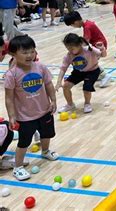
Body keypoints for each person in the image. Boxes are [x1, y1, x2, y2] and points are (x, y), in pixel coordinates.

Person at [4, 36, 59, 181]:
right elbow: (9, 98)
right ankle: (18, 167)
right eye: (24, 52)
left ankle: (45, 151)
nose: (29, 55)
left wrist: (53, 100)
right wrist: (11, 116)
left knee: (46, 135)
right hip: (25, 117)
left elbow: (48, 85)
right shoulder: (11, 74)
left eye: (32, 51)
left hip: (45, 111)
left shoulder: (41, 67)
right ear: (13, 54)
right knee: (24, 142)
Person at [56, 33, 106, 113]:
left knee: (86, 88)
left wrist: (102, 49)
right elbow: (63, 68)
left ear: (79, 45)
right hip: (78, 72)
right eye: (67, 48)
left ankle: (87, 104)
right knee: (66, 86)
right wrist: (59, 82)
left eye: (72, 48)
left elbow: (103, 55)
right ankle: (70, 104)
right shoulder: (69, 55)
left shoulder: (89, 49)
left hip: (92, 71)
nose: (69, 51)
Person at [64, 11, 111, 88]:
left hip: (98, 46)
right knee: (92, 62)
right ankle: (98, 74)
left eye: (72, 25)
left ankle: (105, 75)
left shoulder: (87, 27)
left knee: (88, 61)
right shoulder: (87, 23)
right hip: (99, 44)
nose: (73, 27)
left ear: (75, 22)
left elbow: (85, 42)